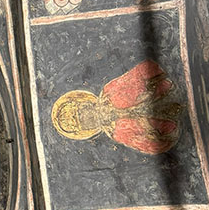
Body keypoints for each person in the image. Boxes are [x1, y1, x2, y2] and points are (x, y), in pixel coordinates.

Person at [52, 60, 181, 154]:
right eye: (82, 122)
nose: (86, 117)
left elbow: (141, 73)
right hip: (169, 123)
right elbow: (151, 145)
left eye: (81, 113)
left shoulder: (110, 93)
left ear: (86, 103)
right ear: (86, 130)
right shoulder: (117, 133)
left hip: (168, 86)